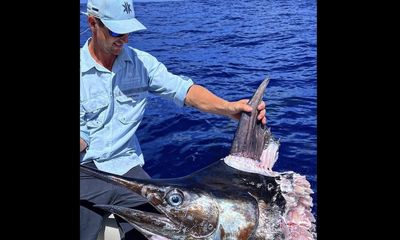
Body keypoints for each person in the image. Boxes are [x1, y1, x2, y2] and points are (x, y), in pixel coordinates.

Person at [80, 0, 267, 239]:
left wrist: (229, 108)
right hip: (85, 169)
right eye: (116, 31)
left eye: (128, 31)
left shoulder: (141, 63)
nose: (124, 39)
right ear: (92, 23)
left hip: (127, 167)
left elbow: (185, 91)